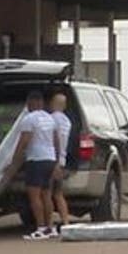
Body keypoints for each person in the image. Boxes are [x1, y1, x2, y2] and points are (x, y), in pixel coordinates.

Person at [7, 92, 59, 241]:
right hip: (49, 159)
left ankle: (40, 228)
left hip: (36, 160)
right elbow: (56, 141)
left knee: (34, 196)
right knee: (47, 194)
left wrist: (14, 160)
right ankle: (50, 227)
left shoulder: (29, 120)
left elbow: (24, 141)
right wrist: (56, 161)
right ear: (42, 103)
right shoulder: (50, 119)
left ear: (30, 103)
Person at [49, 92, 72, 234]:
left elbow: (52, 139)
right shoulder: (67, 121)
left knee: (47, 194)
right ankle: (66, 222)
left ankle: (49, 224)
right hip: (62, 159)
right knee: (58, 194)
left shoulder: (51, 120)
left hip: (52, 159)